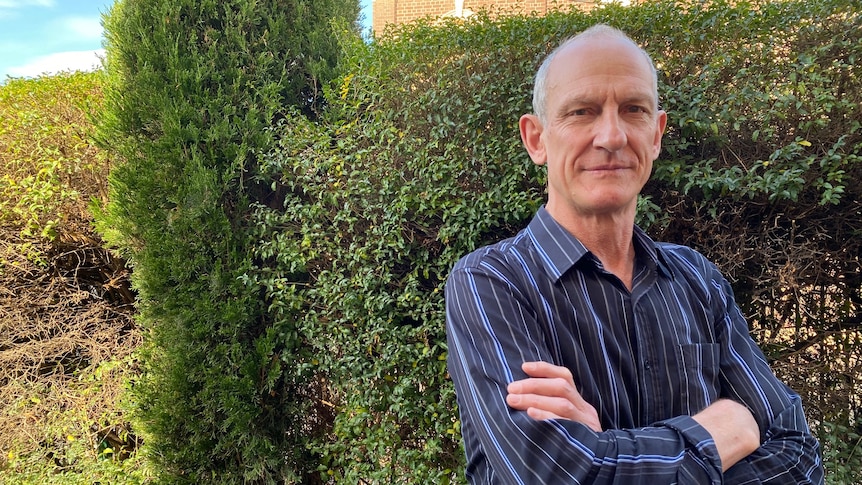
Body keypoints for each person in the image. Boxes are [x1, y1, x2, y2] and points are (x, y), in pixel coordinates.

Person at [445, 24, 824, 484]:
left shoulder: (697, 280)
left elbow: (799, 456)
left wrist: (607, 452)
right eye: (581, 111)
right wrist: (721, 433)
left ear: (657, 133)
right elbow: (556, 476)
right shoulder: (492, 283)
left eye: (634, 110)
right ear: (537, 140)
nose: (611, 136)